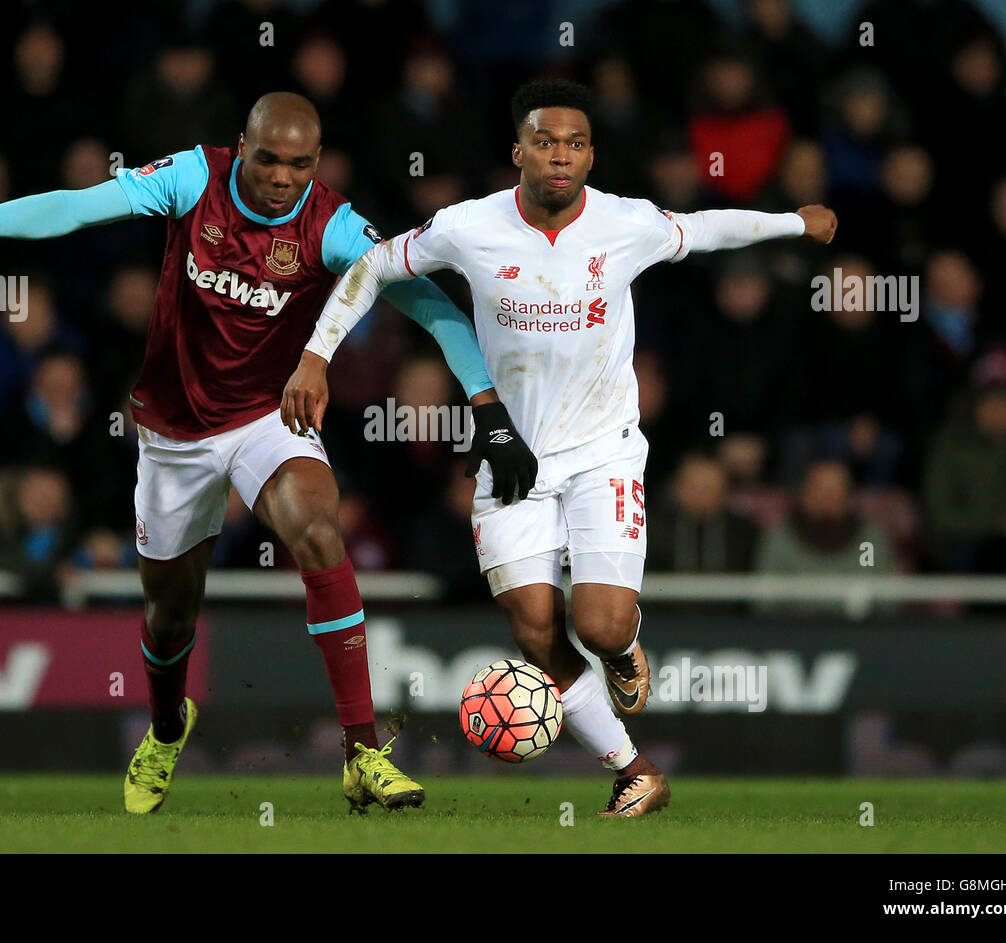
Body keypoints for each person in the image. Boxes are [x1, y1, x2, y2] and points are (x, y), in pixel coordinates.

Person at [0, 91, 538, 814]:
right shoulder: (193, 179)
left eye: (299, 164)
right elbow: (81, 206)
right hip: (173, 433)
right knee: (169, 614)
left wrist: (487, 408)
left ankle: (362, 751)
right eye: (267, 158)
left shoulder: (330, 224)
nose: (279, 176)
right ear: (243, 146)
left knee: (316, 526)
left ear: (316, 163)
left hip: (268, 417)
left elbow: (430, 304)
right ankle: (168, 726)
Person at [284, 79, 836, 817]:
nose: (560, 155)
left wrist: (793, 224)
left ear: (590, 155)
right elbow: (376, 265)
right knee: (535, 629)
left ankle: (623, 646)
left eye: (575, 143)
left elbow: (705, 227)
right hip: (512, 460)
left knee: (599, 624)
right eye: (545, 141)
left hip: (603, 452)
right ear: (519, 151)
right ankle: (636, 770)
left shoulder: (625, 223)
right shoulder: (467, 226)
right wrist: (316, 356)